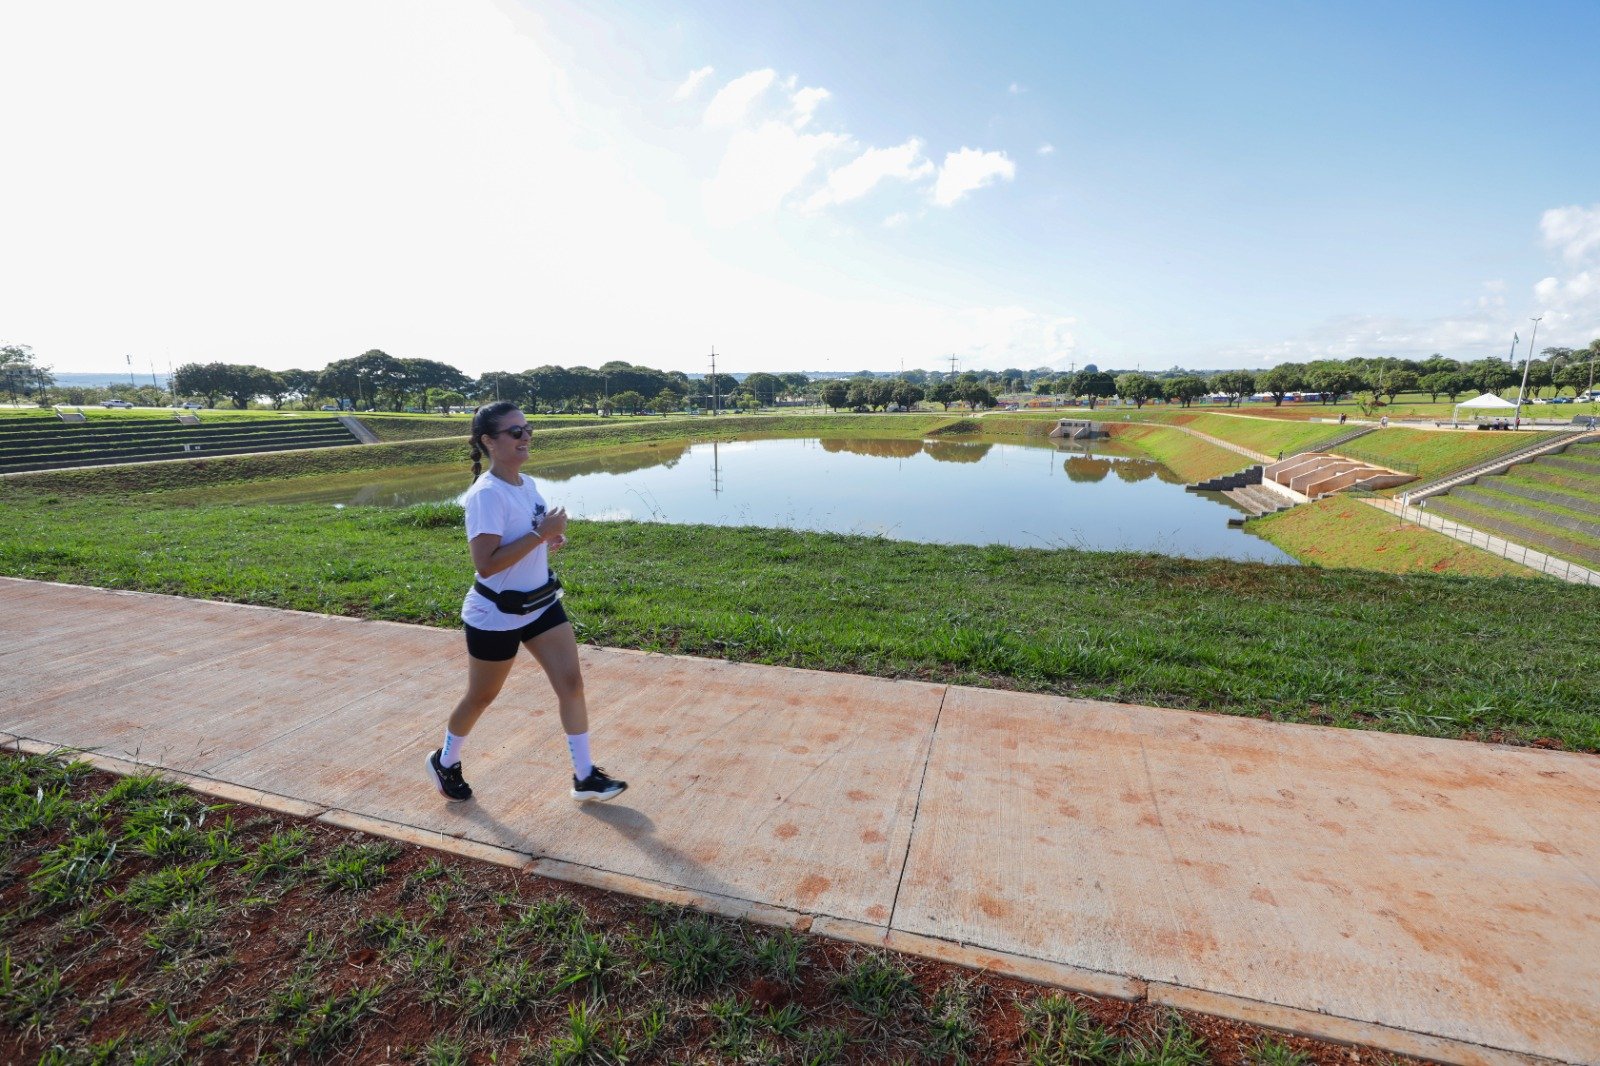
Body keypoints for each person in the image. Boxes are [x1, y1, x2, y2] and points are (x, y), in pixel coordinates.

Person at [427, 402, 627, 804]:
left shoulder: (528, 484)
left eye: (528, 429)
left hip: (540, 604)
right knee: (481, 697)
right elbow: (486, 565)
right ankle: (444, 760)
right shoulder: (486, 495)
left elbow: (525, 539)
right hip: (496, 613)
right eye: (514, 432)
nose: (525, 438)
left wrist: (548, 539)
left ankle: (585, 776)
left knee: (571, 683)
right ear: (488, 441)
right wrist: (539, 536)